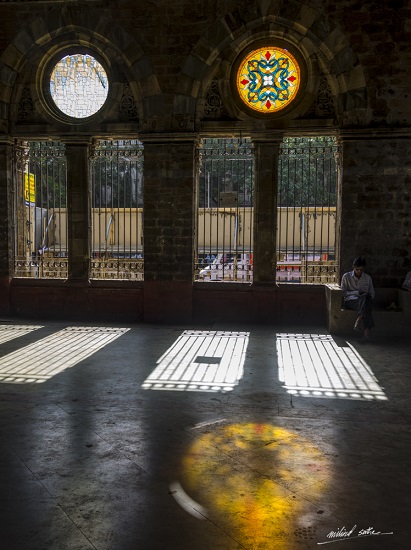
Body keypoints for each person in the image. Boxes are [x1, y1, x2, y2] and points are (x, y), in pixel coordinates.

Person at [341, 257, 375, 338]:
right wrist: (357, 293)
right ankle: (366, 330)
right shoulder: (346, 276)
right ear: (353, 267)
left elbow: (372, 293)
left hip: (365, 300)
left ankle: (360, 319)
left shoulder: (367, 278)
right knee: (367, 304)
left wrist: (366, 296)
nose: (359, 271)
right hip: (351, 301)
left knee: (366, 299)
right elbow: (343, 293)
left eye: (362, 270)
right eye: (357, 269)